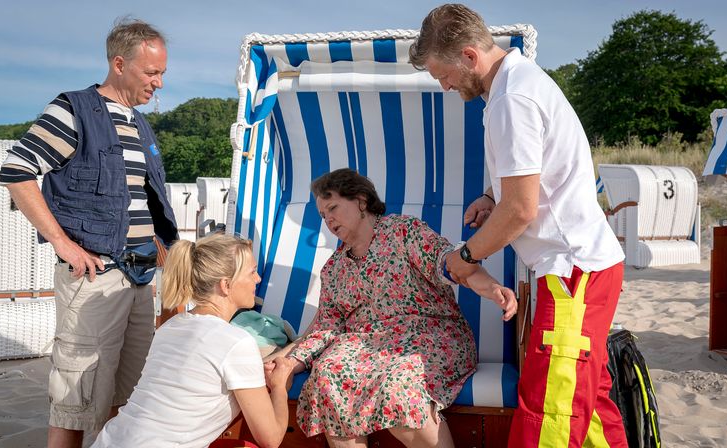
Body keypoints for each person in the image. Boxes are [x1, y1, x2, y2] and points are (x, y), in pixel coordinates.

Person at [409, 4, 628, 448]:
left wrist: (466, 257)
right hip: (581, 269)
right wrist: (492, 199)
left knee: (549, 413)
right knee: (588, 403)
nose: (444, 85)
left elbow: (522, 210)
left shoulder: (512, 99)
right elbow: (526, 188)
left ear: (469, 56)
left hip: (571, 275)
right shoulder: (516, 84)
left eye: (443, 75)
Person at [0, 18, 178, 448]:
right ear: (119, 64)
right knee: (75, 401)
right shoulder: (74, 109)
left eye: (162, 74)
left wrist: (158, 242)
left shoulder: (140, 123)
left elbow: (135, 198)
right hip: (96, 279)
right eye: (151, 73)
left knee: (129, 395)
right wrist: (63, 243)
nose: (159, 84)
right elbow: (17, 171)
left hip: (139, 280)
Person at [268, 168, 516, 448]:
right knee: (326, 376)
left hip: (429, 338)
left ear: (361, 200)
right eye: (323, 215)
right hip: (366, 348)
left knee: (396, 382)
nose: (328, 220)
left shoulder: (403, 232)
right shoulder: (334, 268)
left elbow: (448, 263)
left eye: (333, 207)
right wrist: (289, 361)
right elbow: (326, 327)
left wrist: (490, 287)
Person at [92, 233, 296, 448]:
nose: (258, 279)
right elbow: (271, 438)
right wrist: (280, 386)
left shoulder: (170, 328)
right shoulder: (235, 342)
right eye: (252, 272)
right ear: (226, 285)